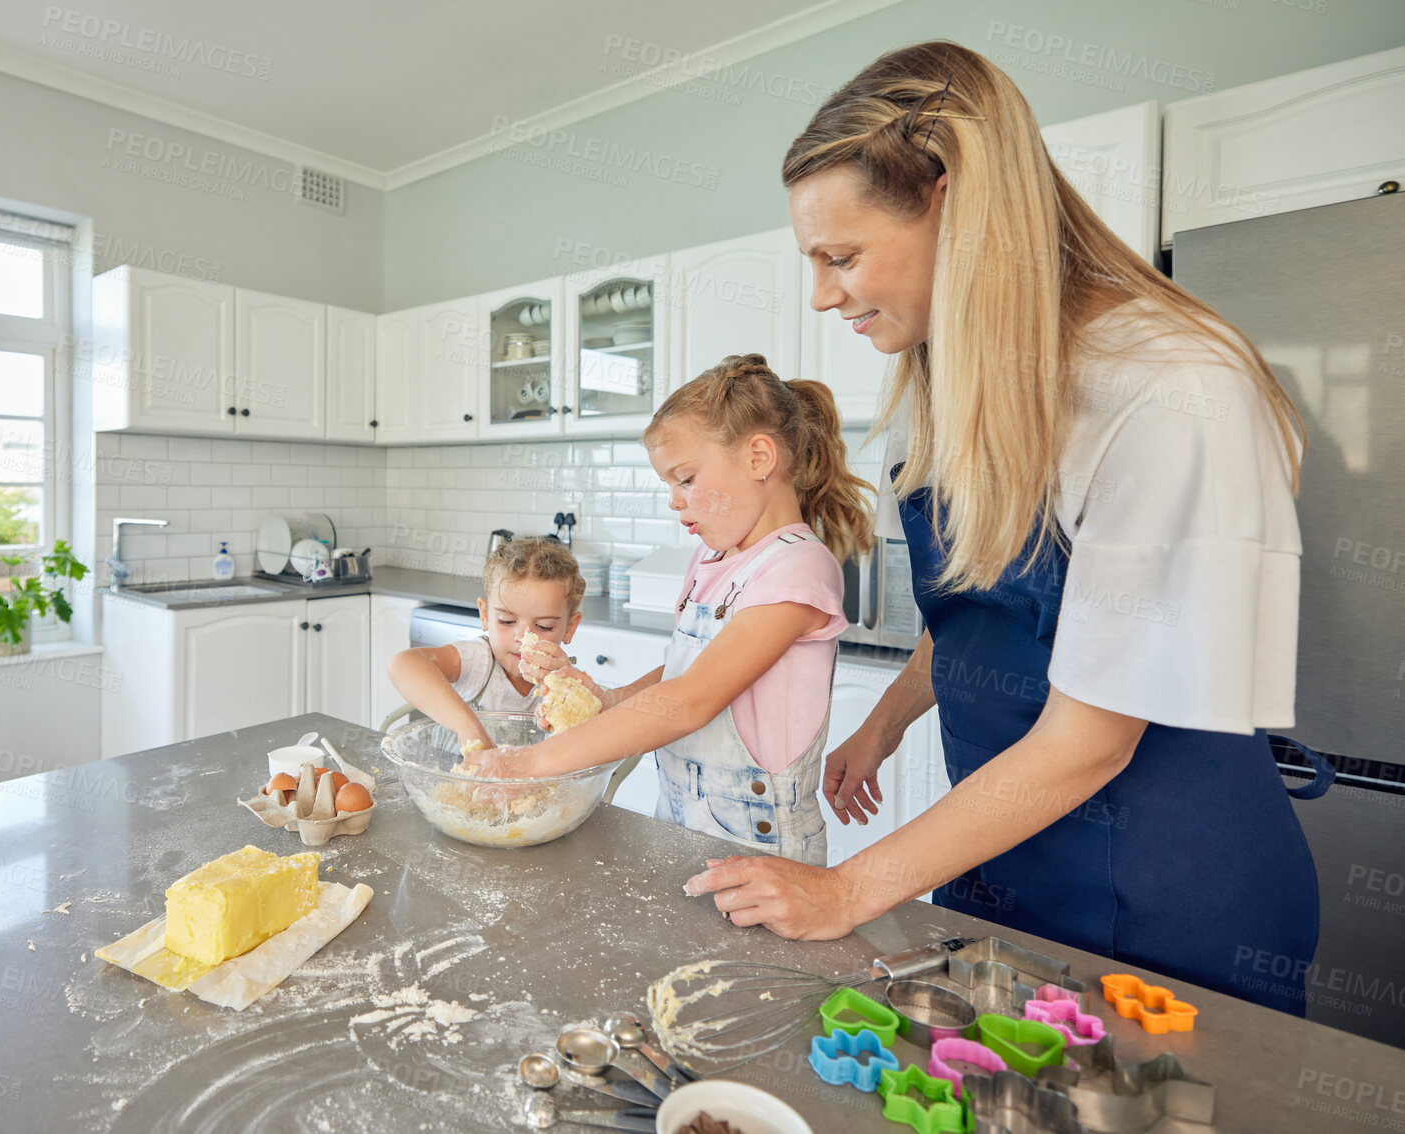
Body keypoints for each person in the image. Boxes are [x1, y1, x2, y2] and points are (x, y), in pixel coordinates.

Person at [683, 40, 1326, 1015]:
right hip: (1001, 864)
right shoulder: (946, 392)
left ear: (954, 201)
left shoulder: (1167, 387)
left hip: (1163, 899)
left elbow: (1094, 739)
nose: (822, 294)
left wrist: (849, 888)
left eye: (842, 256)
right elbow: (990, 612)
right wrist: (887, 722)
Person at [467, 353, 872, 867]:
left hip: (761, 850)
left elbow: (689, 700)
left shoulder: (797, 569)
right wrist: (611, 699)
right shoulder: (711, 558)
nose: (674, 502)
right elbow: (690, 667)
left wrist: (528, 764)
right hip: (682, 825)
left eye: (685, 478)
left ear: (759, 458)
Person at [386, 536, 587, 754]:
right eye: (507, 622)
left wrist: (566, 693)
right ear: (485, 616)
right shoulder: (479, 662)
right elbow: (402, 665)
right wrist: (468, 728)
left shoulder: (565, 680)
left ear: (569, 627)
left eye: (544, 626)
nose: (522, 637)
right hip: (459, 783)